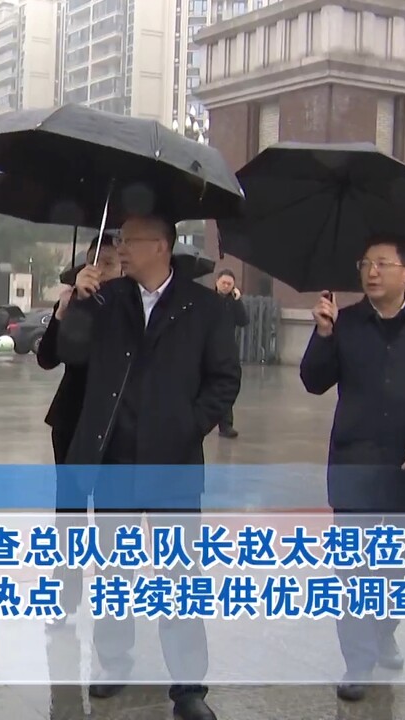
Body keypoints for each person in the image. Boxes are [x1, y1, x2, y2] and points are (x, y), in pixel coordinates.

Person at [56, 215, 240, 720]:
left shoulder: (203, 306)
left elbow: (225, 379)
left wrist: (188, 425)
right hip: (114, 459)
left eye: (129, 241)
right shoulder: (105, 300)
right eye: (118, 239)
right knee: (114, 569)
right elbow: (66, 354)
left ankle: (189, 686)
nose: (120, 248)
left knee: (179, 575)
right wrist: (77, 302)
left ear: (161, 246)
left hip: (172, 463)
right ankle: (113, 662)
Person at [299, 235, 405, 702]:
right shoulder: (346, 322)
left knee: (400, 570)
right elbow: (313, 381)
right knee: (353, 571)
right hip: (355, 466)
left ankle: (384, 630)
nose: (371, 272)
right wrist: (323, 335)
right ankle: (358, 659)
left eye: (382, 264)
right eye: (365, 263)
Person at [35, 235, 121, 625]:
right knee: (69, 516)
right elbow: (47, 358)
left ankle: (111, 606)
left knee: (111, 519)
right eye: (93, 261)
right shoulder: (75, 303)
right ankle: (63, 598)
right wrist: (64, 313)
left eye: (109, 262)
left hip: (115, 423)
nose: (99, 269)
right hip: (72, 421)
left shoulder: (133, 307)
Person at [213, 269, 248, 438]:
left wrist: (238, 300)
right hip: (208, 349)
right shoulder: (208, 299)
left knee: (225, 387)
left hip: (227, 350)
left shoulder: (233, 302)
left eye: (229, 284)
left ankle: (226, 425)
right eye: (223, 283)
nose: (226, 286)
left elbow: (243, 321)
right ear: (217, 282)